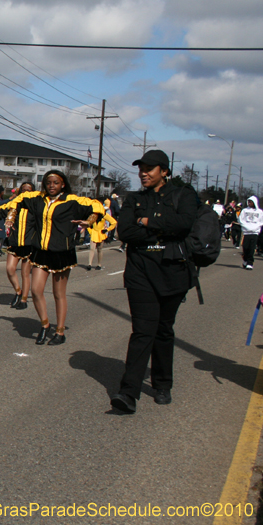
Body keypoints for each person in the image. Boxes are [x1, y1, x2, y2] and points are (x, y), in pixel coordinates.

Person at [110, 150, 198, 414]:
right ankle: (128, 393)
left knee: (163, 329)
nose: (143, 173)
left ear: (164, 171)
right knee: (142, 330)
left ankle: (162, 384)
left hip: (173, 271)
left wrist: (147, 222)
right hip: (140, 272)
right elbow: (125, 231)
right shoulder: (134, 199)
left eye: (149, 168)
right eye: (141, 169)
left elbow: (184, 224)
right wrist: (160, 229)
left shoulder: (184, 195)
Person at [2, 170, 104, 345]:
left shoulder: (72, 201)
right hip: (41, 252)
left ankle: (60, 331)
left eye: (56, 182)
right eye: (48, 182)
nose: (51, 186)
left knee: (58, 293)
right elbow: (17, 200)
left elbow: (97, 206)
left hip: (62, 253)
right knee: (35, 290)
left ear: (62, 184)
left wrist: (90, 220)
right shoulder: (37, 198)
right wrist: (10, 217)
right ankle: (45, 324)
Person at [0, 181, 35, 310]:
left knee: (25, 273)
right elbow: (1, 211)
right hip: (14, 242)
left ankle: (24, 299)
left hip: (29, 243)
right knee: (10, 269)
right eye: (23, 189)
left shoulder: (36, 207)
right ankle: (18, 291)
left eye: (28, 190)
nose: (26, 191)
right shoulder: (14, 205)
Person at [86, 201, 117, 271]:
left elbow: (114, 222)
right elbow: (88, 223)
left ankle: (99, 264)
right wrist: (90, 231)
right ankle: (89, 264)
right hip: (94, 232)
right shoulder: (93, 215)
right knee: (92, 248)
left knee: (99, 249)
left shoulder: (104, 215)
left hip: (101, 233)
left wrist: (107, 230)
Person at [240, 196, 263, 270]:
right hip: (247, 232)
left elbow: (261, 222)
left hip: (255, 232)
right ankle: (245, 259)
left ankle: (250, 263)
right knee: (245, 247)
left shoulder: (259, 212)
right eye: (248, 202)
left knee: (252, 248)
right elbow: (241, 220)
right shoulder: (244, 210)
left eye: (251, 202)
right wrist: (246, 227)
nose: (249, 203)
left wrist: (255, 228)